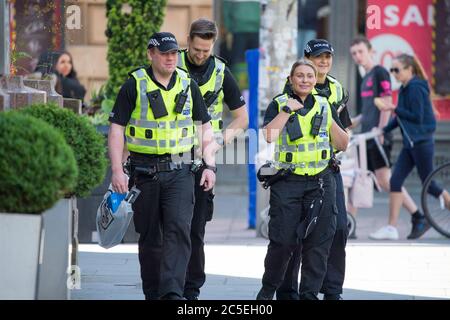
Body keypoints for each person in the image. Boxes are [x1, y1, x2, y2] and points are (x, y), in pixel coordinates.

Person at [108, 32, 217, 300]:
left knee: (179, 232)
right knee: (149, 238)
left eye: (173, 54)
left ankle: (172, 294)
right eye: (165, 53)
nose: (170, 58)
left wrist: (209, 165)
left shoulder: (187, 83)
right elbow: (116, 130)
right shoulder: (135, 83)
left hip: (181, 171)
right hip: (144, 172)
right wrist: (117, 170)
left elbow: (205, 128)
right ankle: (153, 293)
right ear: (151, 54)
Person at [256, 59, 349, 300]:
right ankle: (267, 292)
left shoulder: (324, 105)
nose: (305, 80)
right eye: (300, 76)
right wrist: (287, 110)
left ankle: (309, 295)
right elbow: (269, 135)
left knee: (318, 245)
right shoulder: (279, 103)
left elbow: (342, 144)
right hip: (288, 182)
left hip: (321, 182)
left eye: (310, 76)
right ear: (291, 79)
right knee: (283, 243)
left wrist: (329, 118)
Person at [177, 18, 249, 300]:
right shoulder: (174, 64)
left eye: (206, 51)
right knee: (171, 225)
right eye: (196, 49)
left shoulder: (221, 72)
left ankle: (191, 289)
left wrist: (219, 140)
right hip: (170, 154)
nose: (200, 55)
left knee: (196, 228)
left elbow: (242, 117)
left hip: (203, 159)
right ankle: (169, 285)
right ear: (189, 41)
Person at [349, 36, 421, 240]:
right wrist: (353, 121)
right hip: (366, 135)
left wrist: (381, 131)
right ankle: (348, 226)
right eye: (354, 53)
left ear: (371, 51)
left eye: (360, 52)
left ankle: (417, 215)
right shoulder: (365, 77)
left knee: (384, 179)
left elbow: (387, 103)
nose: (357, 56)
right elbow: (369, 110)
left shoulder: (380, 72)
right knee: (359, 177)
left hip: (377, 136)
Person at [377, 54, 450, 237]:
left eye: (397, 69)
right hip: (411, 144)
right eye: (391, 69)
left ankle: (399, 225)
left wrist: (393, 108)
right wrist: (384, 130)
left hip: (421, 143)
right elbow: (401, 117)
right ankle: (391, 228)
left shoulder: (416, 87)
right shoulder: (405, 88)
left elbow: (416, 116)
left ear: (409, 69)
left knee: (429, 185)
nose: (393, 73)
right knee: (395, 181)